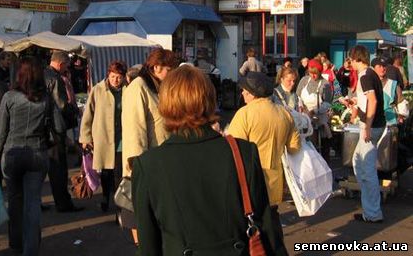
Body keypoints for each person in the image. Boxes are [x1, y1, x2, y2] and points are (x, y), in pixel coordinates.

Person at [132, 65, 288, 255]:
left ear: (164, 105)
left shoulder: (148, 165)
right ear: (210, 100)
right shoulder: (244, 152)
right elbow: (267, 228)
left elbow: (148, 246)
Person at [0, 57, 65, 254]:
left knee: (14, 200)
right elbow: (59, 127)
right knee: (32, 203)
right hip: (38, 153)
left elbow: (1, 132)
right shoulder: (46, 98)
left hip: (12, 154)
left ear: (19, 75)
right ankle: (31, 249)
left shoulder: (10, 97)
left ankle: (16, 243)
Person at [228, 71, 301, 234]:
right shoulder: (284, 113)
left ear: (252, 94)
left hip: (249, 181)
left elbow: (233, 148)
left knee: (251, 228)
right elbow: (294, 147)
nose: (242, 94)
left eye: (244, 91)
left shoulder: (244, 114)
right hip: (274, 180)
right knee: (272, 223)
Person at [121, 48, 177, 243]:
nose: (172, 74)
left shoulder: (158, 86)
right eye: (169, 69)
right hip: (145, 165)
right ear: (156, 67)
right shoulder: (138, 87)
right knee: (140, 217)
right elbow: (134, 130)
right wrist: (137, 167)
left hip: (161, 163)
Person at [80, 60, 127, 212]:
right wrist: (85, 137)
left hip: (122, 138)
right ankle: (106, 199)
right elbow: (88, 115)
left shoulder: (128, 90)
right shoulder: (98, 90)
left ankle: (120, 203)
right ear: (108, 75)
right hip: (104, 137)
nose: (115, 80)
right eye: (113, 76)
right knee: (106, 171)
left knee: (119, 173)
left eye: (119, 77)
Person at [349, 45, 385, 223]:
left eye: (351, 59)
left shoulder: (364, 76)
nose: (350, 63)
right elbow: (369, 99)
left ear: (356, 58)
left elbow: (373, 100)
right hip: (374, 124)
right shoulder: (371, 74)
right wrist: (355, 102)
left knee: (367, 170)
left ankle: (372, 212)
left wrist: (368, 126)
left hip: (370, 126)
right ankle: (370, 207)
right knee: (358, 162)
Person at [44, 50, 81, 212]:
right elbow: (61, 105)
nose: (67, 68)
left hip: (42, 125)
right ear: (61, 64)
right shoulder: (55, 78)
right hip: (54, 127)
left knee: (49, 166)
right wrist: (74, 110)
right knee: (58, 166)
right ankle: (63, 203)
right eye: (66, 65)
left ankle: (52, 200)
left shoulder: (42, 74)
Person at [296, 59, 333, 162]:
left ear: (320, 72)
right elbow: (298, 96)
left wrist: (315, 111)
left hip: (320, 116)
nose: (313, 76)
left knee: (322, 142)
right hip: (304, 114)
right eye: (311, 73)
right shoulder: (304, 80)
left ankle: (324, 161)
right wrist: (301, 107)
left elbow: (327, 103)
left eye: (315, 74)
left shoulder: (325, 84)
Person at [372, 57, 405, 126]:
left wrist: (401, 116)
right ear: (373, 68)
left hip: (390, 122)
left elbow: (401, 102)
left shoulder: (393, 84)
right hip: (373, 123)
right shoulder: (369, 84)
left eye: (384, 66)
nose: (382, 68)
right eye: (379, 66)